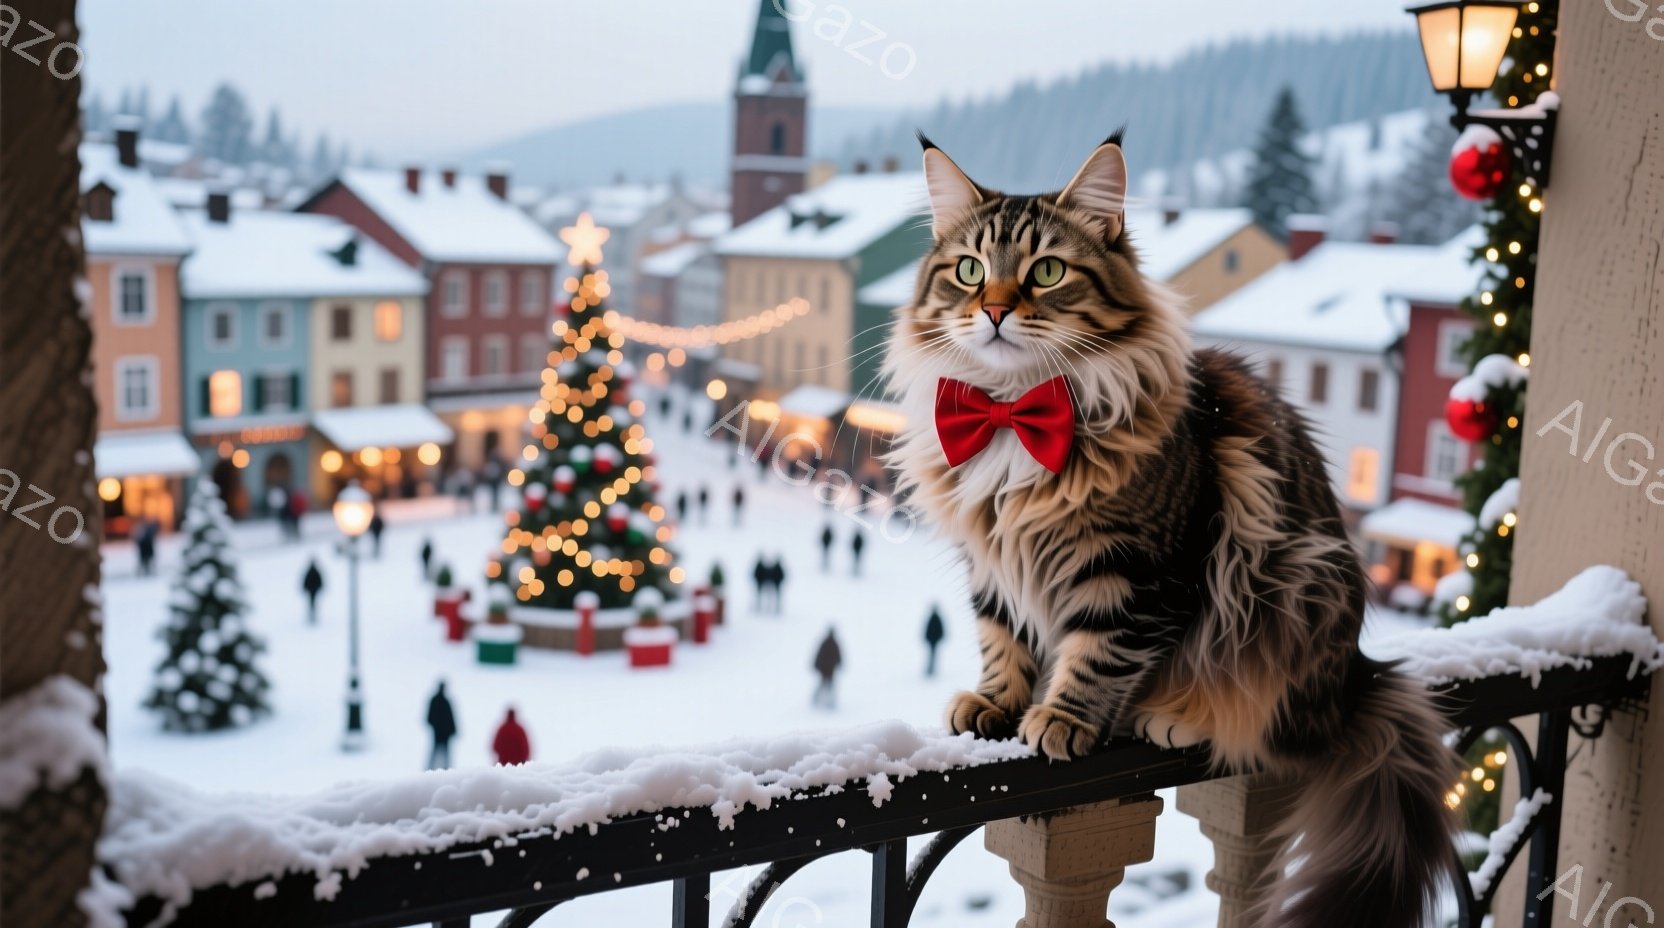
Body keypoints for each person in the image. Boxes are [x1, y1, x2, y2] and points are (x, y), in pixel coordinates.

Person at [425, 680, 457, 770]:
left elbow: (450, 718)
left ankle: (446, 769)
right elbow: (429, 717)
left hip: (444, 733)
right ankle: (430, 768)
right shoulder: (438, 701)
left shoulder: (442, 701)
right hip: (439, 733)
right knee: (436, 752)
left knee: (444, 753)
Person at [812, 627, 842, 709]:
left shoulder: (832, 644)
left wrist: (839, 663)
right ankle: (817, 699)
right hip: (826, 669)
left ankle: (829, 702)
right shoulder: (830, 644)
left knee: (827, 684)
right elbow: (819, 655)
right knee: (825, 684)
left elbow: (838, 656)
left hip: (828, 669)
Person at [923, 605, 946, 678]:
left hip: (934, 640)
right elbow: (928, 630)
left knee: (933, 655)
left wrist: (938, 638)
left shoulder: (936, 618)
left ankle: (931, 670)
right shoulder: (933, 618)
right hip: (931, 640)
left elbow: (940, 630)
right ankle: (930, 669)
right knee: (932, 655)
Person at [301, 559, 324, 625]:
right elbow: (306, 581)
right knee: (312, 603)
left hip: (313, 590)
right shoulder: (314, 571)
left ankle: (312, 614)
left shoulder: (312, 572)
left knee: (312, 603)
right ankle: (312, 614)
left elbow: (319, 581)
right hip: (312, 590)